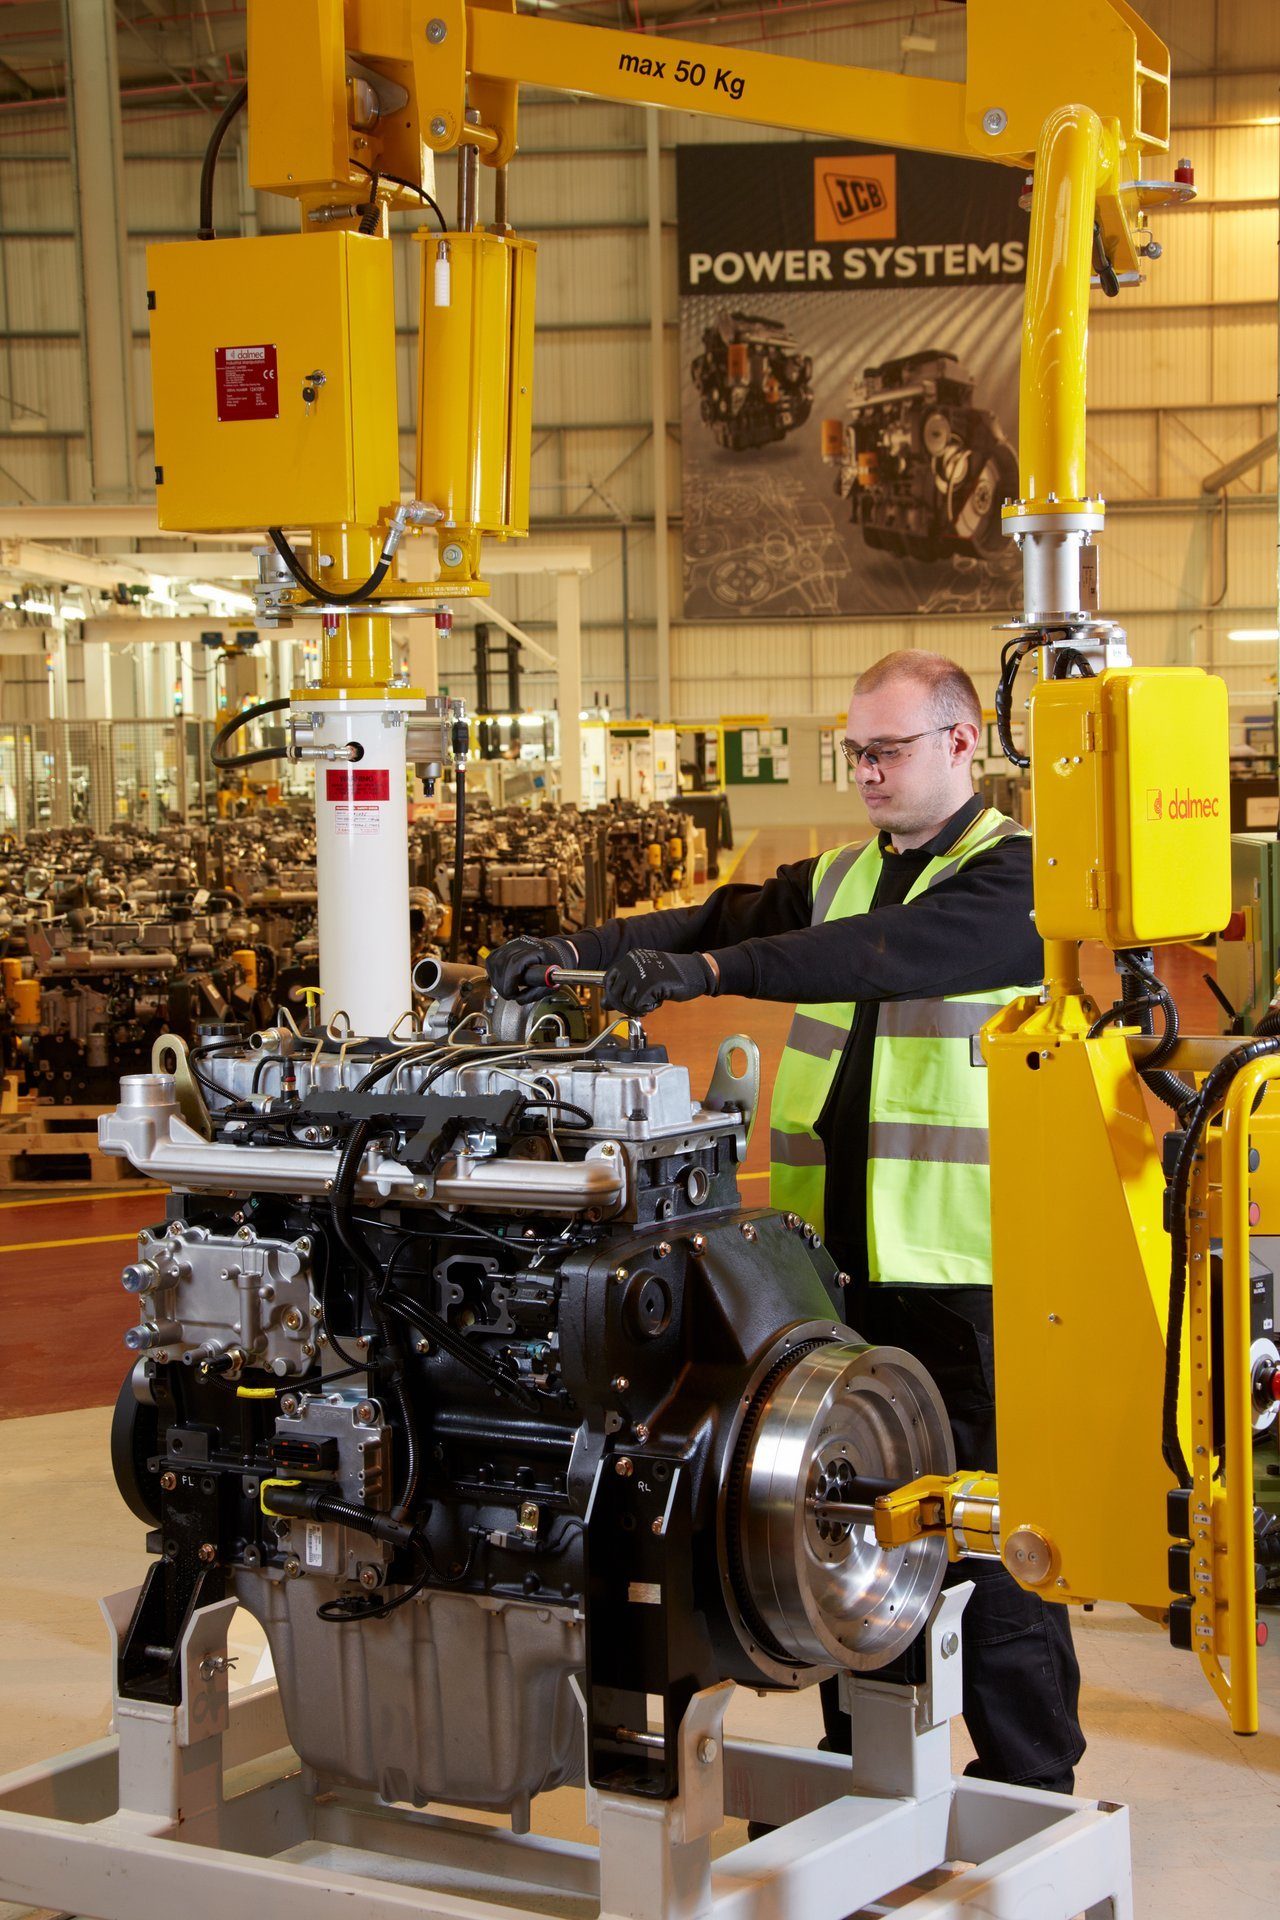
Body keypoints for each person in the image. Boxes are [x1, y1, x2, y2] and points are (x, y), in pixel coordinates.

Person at [486, 649, 1084, 1795]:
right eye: (852, 751)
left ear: (963, 745)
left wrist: (705, 970)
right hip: (832, 1277)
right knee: (839, 1521)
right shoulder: (849, 871)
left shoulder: (1017, 880)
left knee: (984, 1542)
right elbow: (727, 907)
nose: (864, 771)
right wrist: (582, 952)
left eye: (887, 750)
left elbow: (859, 959)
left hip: (966, 1277)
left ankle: (1030, 1789)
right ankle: (864, 1768)